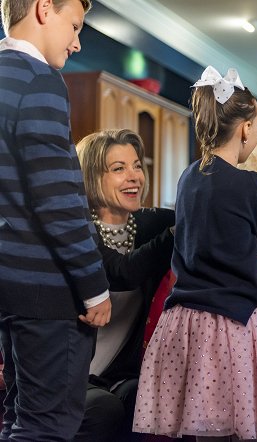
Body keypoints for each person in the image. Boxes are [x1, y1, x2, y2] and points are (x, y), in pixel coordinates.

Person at [132, 66, 257, 442]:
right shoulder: (250, 184)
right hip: (233, 323)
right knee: (238, 428)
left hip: (184, 322)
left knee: (203, 427)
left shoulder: (187, 177)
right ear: (245, 128)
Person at [0, 0, 112, 440]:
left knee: (15, 419)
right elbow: (58, 203)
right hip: (46, 293)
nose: (78, 41)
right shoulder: (41, 81)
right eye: (75, 24)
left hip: (8, 288)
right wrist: (94, 289)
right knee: (46, 428)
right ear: (45, 8)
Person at [74, 129, 175, 442]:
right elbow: (123, 272)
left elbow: (214, 216)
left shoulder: (153, 224)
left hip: (120, 372)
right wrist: (176, 233)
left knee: (147, 398)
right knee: (103, 408)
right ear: (91, 177)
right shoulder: (74, 229)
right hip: (68, 370)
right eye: (118, 169)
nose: (134, 177)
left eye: (137, 166)